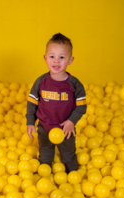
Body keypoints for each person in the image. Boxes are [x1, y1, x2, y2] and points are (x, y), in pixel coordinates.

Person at [26, 33, 87, 173]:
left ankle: (73, 178)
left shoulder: (74, 84)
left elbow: (82, 106)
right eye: (52, 56)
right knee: (45, 156)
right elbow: (32, 103)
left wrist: (71, 121)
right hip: (44, 127)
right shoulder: (40, 82)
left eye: (62, 57)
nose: (56, 61)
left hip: (66, 129)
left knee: (68, 156)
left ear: (70, 60)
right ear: (45, 58)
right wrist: (30, 121)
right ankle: (44, 180)